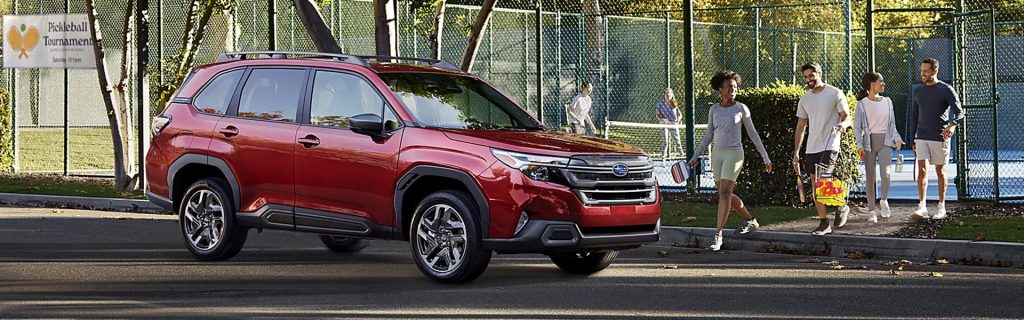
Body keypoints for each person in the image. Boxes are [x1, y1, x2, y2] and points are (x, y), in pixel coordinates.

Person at [689, 71, 772, 251]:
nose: (733, 90)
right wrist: (696, 156)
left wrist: (765, 157)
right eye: (729, 87)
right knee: (723, 193)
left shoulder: (741, 108)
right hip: (717, 154)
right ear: (721, 89)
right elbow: (709, 135)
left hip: (735, 154)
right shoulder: (714, 110)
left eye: (735, 87)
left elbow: (753, 135)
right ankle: (750, 220)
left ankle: (718, 235)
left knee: (725, 193)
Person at [792, 62, 851, 236]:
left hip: (830, 144)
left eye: (811, 75)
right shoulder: (805, 99)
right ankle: (825, 221)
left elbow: (846, 117)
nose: (808, 79)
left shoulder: (834, 93)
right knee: (815, 185)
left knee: (822, 181)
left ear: (819, 73)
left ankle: (840, 205)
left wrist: (842, 125)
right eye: (805, 77)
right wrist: (796, 152)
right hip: (812, 147)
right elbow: (801, 127)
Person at [909, 58, 964, 221]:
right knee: (922, 170)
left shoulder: (946, 90)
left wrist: (952, 126)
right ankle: (922, 207)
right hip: (921, 137)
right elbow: (915, 116)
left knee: (940, 171)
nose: (922, 73)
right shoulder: (918, 91)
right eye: (921, 70)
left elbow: (960, 113)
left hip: (940, 137)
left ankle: (941, 207)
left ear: (935, 71)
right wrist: (913, 139)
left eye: (926, 70)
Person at [853, 72, 904, 223]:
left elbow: (892, 125)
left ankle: (884, 200)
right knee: (870, 177)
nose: (883, 84)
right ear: (871, 84)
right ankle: (871, 210)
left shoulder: (888, 101)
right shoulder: (861, 104)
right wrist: (860, 146)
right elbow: (857, 128)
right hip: (869, 144)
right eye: (881, 81)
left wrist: (897, 139)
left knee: (886, 174)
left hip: (886, 142)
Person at [656, 88, 685, 162]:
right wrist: (662, 120)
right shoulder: (660, 104)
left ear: (672, 95)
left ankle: (682, 156)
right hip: (664, 124)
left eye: (670, 93)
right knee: (665, 141)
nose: (668, 95)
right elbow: (657, 115)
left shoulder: (674, 103)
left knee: (677, 141)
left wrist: (678, 119)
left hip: (673, 124)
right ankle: (663, 158)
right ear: (664, 95)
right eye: (667, 93)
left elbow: (680, 114)